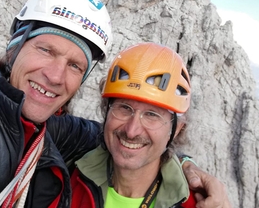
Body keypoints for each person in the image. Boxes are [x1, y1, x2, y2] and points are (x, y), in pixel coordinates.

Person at [0, 0, 229, 208]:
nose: (55, 76)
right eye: (46, 49)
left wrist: (187, 167)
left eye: (75, 65)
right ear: (16, 45)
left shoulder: (54, 133)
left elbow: (129, 140)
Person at [70, 42, 232, 208]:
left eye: (151, 115)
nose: (132, 131)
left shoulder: (196, 204)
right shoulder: (67, 173)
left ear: (175, 130)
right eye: (125, 108)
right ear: (107, 112)